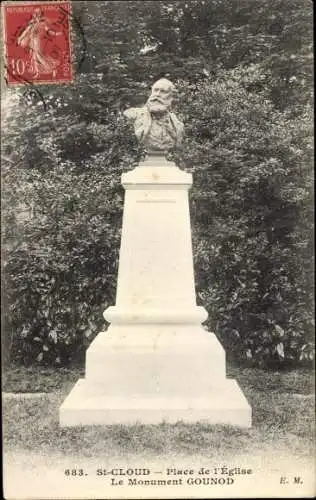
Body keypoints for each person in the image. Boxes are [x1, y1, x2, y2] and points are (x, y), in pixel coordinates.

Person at [123, 78, 184, 154]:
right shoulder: (134, 115)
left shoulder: (176, 124)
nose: (157, 94)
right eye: (155, 90)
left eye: (163, 91)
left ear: (171, 97)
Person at [17, 8, 63, 78]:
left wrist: (56, 34)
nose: (36, 14)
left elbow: (49, 31)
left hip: (38, 41)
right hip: (32, 41)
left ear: (41, 14)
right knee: (34, 57)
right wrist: (20, 38)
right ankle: (37, 73)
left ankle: (52, 68)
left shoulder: (43, 22)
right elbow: (26, 31)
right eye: (36, 13)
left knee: (38, 55)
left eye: (38, 13)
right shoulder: (32, 22)